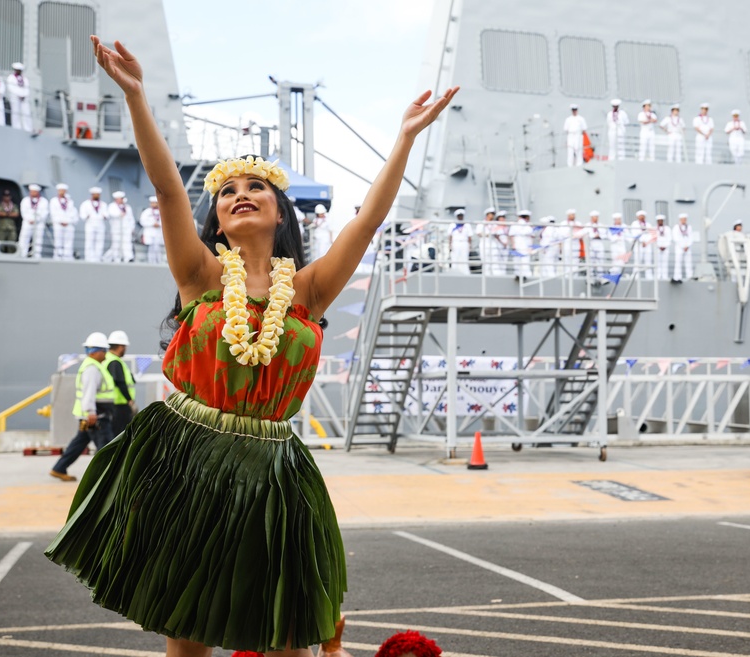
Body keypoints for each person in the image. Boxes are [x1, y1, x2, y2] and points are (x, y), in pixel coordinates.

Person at [46, 35, 457, 657]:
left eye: (255, 187)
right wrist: (135, 96)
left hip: (271, 469)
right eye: (227, 189)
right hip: (186, 458)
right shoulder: (201, 275)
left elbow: (367, 221)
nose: (239, 192)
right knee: (188, 629)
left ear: (279, 212)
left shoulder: (310, 291)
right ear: (218, 216)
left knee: (283, 631)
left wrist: (404, 137)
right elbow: (165, 190)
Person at [49, 331, 116, 482]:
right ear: (97, 351)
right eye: (104, 351)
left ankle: (59, 468)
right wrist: (91, 412)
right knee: (106, 446)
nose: (106, 354)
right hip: (95, 417)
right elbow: (89, 392)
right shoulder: (92, 369)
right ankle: (106, 478)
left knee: (79, 443)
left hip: (89, 416)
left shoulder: (92, 366)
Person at [105, 330, 137, 436]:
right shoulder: (115, 362)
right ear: (120, 346)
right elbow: (120, 382)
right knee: (120, 434)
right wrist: (129, 400)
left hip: (114, 403)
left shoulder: (108, 359)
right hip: (119, 405)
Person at [18, 184, 49, 258]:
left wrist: (36, 220)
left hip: (39, 223)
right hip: (27, 222)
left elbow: (45, 213)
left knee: (38, 240)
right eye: (31, 191)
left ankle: (36, 255)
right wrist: (30, 219)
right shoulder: (25, 200)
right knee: (24, 238)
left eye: (34, 191)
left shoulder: (44, 201)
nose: (32, 193)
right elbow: (23, 212)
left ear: (38, 192)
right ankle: (22, 254)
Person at [50, 183, 78, 260]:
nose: (62, 192)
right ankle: (57, 256)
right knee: (58, 241)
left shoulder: (70, 202)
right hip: (58, 224)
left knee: (68, 242)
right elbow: (53, 213)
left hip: (68, 224)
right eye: (60, 190)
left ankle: (68, 256)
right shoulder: (54, 201)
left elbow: (73, 213)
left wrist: (68, 222)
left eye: (63, 190)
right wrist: (60, 221)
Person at [79, 187, 107, 262]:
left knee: (100, 241)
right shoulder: (85, 204)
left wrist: (104, 216)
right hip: (90, 224)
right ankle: (89, 257)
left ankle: (98, 257)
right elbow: (82, 214)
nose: (97, 196)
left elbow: (107, 215)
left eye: (98, 194)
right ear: (92, 194)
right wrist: (87, 216)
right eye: (96, 194)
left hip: (100, 224)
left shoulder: (103, 204)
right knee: (89, 241)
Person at [477, 207, 507, 276]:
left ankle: (496, 275)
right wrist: (487, 235)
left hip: (493, 243)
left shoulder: (495, 224)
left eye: (493, 214)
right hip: (485, 243)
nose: (493, 215)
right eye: (492, 214)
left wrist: (502, 243)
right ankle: (486, 275)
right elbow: (479, 233)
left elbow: (497, 235)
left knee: (495, 260)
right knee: (485, 261)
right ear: (487, 215)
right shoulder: (481, 224)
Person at [509, 209, 534, 279]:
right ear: (527, 217)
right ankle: (526, 275)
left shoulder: (514, 225)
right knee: (525, 262)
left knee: (517, 261)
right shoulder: (529, 226)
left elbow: (511, 236)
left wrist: (513, 245)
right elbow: (532, 236)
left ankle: (517, 274)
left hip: (517, 246)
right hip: (526, 246)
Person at [7, 63, 32, 132]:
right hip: (15, 97)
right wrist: (19, 94)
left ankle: (28, 128)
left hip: (24, 98)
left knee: (26, 113)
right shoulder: (11, 78)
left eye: (20, 70)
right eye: (17, 70)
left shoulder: (25, 78)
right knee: (15, 113)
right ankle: (16, 128)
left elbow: (27, 88)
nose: (19, 71)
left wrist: (24, 95)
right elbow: (11, 88)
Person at [105, 190, 129, 262]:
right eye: (121, 198)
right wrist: (119, 215)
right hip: (116, 228)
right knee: (116, 244)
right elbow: (112, 214)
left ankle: (125, 257)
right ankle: (115, 258)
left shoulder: (126, 207)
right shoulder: (112, 206)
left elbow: (129, 218)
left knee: (124, 244)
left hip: (125, 228)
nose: (122, 200)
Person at [140, 195, 164, 263]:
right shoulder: (146, 212)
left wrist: (159, 224)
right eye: (152, 203)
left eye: (155, 203)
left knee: (158, 248)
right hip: (150, 232)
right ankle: (151, 261)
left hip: (158, 232)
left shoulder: (162, 211)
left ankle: (159, 261)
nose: (154, 204)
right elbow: (142, 221)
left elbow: (166, 221)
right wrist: (152, 224)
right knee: (151, 248)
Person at [447, 208, 472, 274]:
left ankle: (466, 273)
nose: (460, 217)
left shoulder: (467, 225)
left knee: (464, 258)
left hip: (464, 242)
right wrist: (450, 245)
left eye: (461, 216)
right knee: (455, 258)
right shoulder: (453, 225)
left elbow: (469, 236)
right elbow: (450, 236)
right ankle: (454, 272)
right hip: (455, 242)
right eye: (459, 216)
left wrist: (469, 246)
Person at [631, 210, 653, 279]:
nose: (642, 217)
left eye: (643, 216)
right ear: (638, 217)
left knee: (648, 260)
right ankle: (635, 275)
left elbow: (651, 234)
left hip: (647, 245)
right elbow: (634, 233)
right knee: (638, 260)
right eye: (640, 216)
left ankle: (649, 276)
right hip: (638, 244)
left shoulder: (648, 224)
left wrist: (646, 241)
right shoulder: (634, 224)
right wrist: (642, 241)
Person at [671, 213, 693, 282]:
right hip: (679, 247)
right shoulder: (676, 227)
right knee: (678, 262)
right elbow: (675, 237)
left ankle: (689, 275)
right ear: (680, 220)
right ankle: (677, 276)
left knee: (688, 262)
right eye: (683, 219)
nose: (684, 220)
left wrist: (687, 245)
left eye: (685, 219)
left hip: (687, 247)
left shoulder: (689, 227)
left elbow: (691, 237)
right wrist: (682, 246)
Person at [560, 209, 582, 275]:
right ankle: (567, 276)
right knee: (567, 261)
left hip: (575, 244)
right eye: (571, 215)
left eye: (574, 215)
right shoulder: (563, 223)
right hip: (567, 244)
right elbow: (561, 233)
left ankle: (575, 276)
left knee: (575, 261)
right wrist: (569, 233)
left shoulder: (578, 224)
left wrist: (575, 234)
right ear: (568, 216)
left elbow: (581, 233)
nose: (573, 216)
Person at [607, 212, 629, 278]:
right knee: (615, 260)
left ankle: (619, 273)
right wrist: (617, 237)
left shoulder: (624, 227)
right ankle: (614, 273)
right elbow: (610, 237)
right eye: (617, 219)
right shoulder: (611, 227)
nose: (618, 221)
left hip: (622, 245)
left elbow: (628, 235)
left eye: (619, 219)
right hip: (615, 245)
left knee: (622, 261)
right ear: (614, 220)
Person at [586, 210, 605, 276]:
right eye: (594, 217)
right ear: (591, 217)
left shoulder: (601, 225)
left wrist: (599, 235)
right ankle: (590, 276)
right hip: (591, 244)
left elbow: (604, 234)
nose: (596, 218)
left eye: (597, 217)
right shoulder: (588, 225)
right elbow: (587, 234)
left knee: (600, 260)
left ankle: (600, 276)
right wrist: (594, 235)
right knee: (591, 261)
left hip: (599, 243)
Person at [653, 214, 671, 280]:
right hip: (657, 248)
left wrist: (665, 246)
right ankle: (658, 275)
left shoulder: (667, 228)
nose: (660, 222)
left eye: (661, 221)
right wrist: (659, 246)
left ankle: (664, 276)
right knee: (657, 262)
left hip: (665, 248)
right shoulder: (654, 229)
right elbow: (654, 238)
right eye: (659, 221)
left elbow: (669, 238)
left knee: (665, 262)